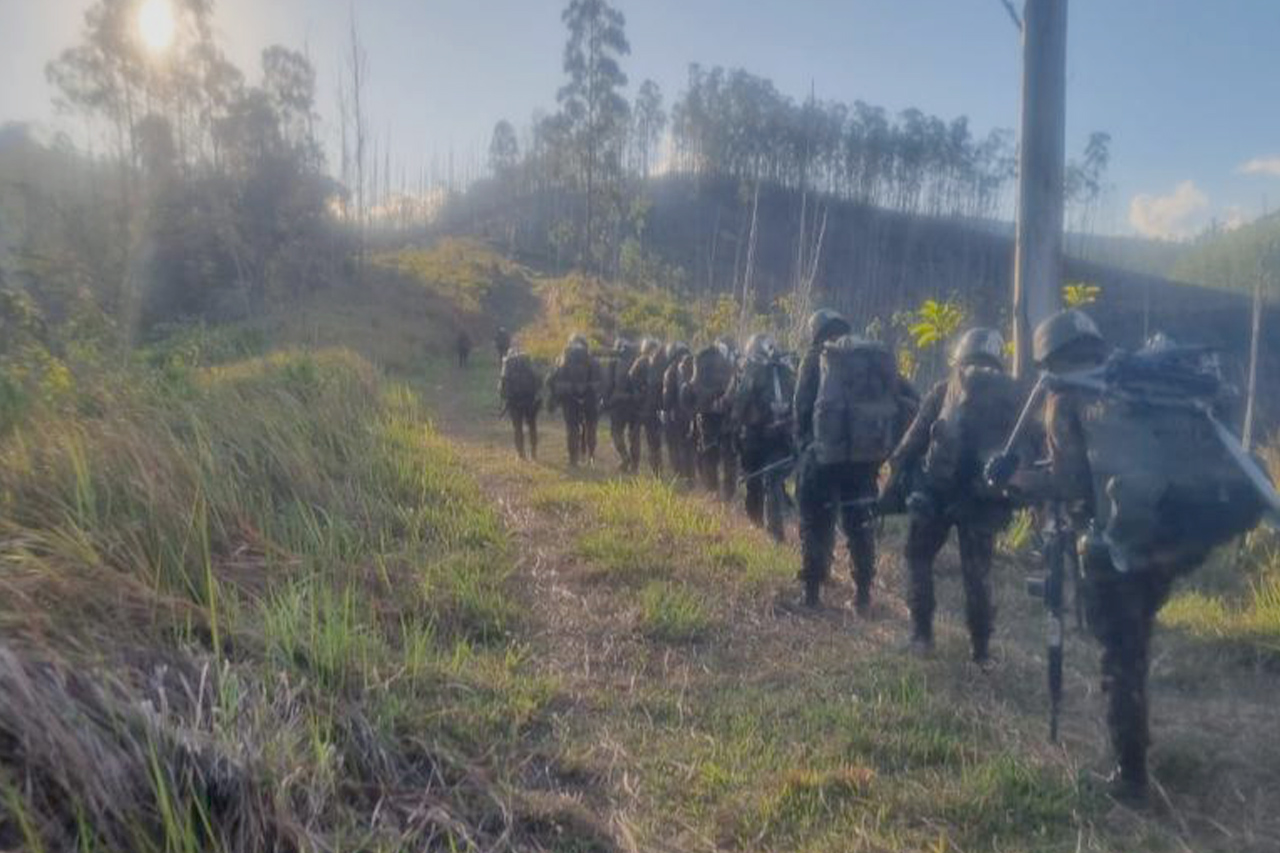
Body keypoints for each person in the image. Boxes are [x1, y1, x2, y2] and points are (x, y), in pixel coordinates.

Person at [988, 309, 1265, 805]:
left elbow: (1071, 481)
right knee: (1134, 641)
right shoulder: (1137, 385)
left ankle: (1130, 776)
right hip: (1175, 537)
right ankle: (1137, 742)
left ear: (1046, 354)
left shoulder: (1066, 395)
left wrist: (1017, 481)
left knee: (1120, 658)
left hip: (1117, 546)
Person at [881, 327, 1023, 664]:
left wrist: (893, 482)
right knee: (978, 573)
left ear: (960, 356)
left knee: (918, 557)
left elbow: (912, 442)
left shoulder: (945, 389)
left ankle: (922, 637)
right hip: (983, 499)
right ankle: (982, 651)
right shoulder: (1009, 397)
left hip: (939, 492)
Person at [794, 309, 918, 610]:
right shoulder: (872, 359)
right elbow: (909, 399)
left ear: (816, 332)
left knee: (815, 521)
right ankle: (862, 595)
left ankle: (812, 594)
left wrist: (806, 448)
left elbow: (800, 409)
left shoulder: (816, 359)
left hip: (823, 458)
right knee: (859, 523)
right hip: (864, 461)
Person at [732, 333, 795, 541]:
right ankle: (773, 531)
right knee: (773, 481)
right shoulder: (787, 369)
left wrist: (734, 425)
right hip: (781, 433)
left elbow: (741, 400)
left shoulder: (752, 369)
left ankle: (762, 525)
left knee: (756, 480)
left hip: (756, 435)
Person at [683, 341, 738, 499]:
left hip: (707, 413)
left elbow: (694, 385)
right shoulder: (731, 359)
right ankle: (728, 493)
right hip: (725, 413)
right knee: (728, 454)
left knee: (710, 453)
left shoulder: (701, 357)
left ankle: (713, 490)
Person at [546, 334, 601, 467]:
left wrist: (556, 395)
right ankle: (591, 457)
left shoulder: (562, 359)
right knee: (591, 428)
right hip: (590, 398)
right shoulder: (592, 360)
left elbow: (550, 380)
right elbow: (600, 381)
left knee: (572, 429)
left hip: (569, 399)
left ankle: (573, 460)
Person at [630, 337, 669, 475]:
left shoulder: (641, 362)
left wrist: (638, 394)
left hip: (642, 408)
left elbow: (631, 380)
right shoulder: (661, 362)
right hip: (651, 408)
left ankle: (636, 467)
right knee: (653, 442)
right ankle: (655, 472)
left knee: (638, 438)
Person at [603, 338, 642, 472]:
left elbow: (608, 383)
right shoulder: (640, 362)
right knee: (634, 436)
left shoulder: (614, 363)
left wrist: (605, 400)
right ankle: (635, 467)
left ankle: (625, 457)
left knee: (616, 432)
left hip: (619, 402)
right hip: (636, 404)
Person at [662, 342, 697, 486]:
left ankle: (679, 476)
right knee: (690, 447)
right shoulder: (695, 368)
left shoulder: (670, 371)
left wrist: (665, 410)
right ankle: (691, 477)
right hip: (692, 414)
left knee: (675, 446)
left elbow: (667, 396)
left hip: (676, 414)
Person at [499, 348, 541, 460]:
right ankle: (534, 453)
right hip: (530, 401)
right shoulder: (528, 363)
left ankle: (521, 454)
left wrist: (506, 397)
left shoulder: (508, 364)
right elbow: (538, 381)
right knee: (532, 426)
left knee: (517, 428)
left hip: (514, 402)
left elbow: (502, 387)